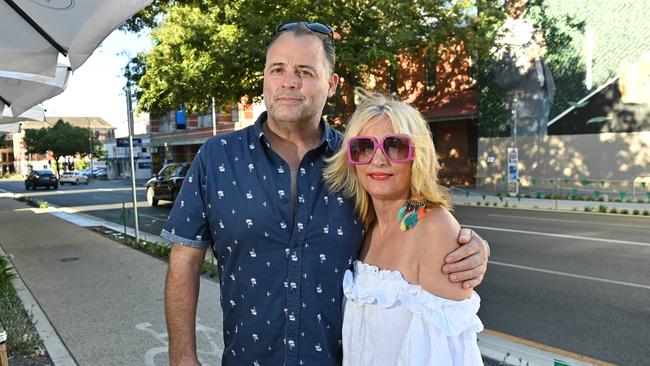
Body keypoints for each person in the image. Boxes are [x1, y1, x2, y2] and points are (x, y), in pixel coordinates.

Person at [162, 22, 489, 366]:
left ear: (331, 84)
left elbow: (406, 215)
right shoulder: (217, 157)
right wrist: (182, 357)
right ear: (264, 78)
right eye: (278, 69)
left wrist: (468, 245)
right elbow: (185, 260)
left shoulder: (354, 160)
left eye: (304, 71)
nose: (289, 81)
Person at [324, 91, 483, 365]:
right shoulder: (364, 226)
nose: (378, 159)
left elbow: (450, 356)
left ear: (417, 155)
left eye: (395, 145)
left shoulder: (434, 228)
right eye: (364, 147)